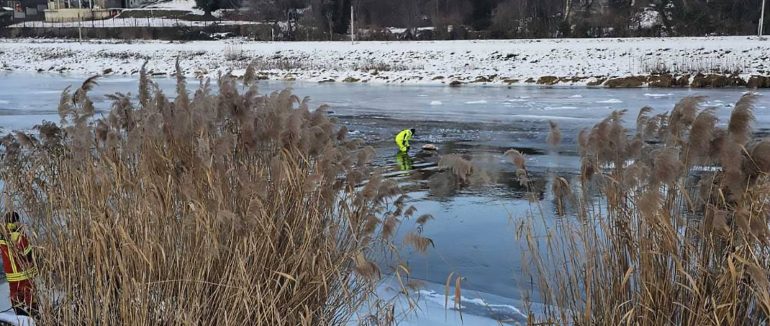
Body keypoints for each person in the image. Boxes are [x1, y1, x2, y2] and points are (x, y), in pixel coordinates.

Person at [0, 212, 36, 316]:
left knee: (14, 292)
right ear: (16, 222)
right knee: (28, 292)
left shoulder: (2, 236)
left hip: (11, 274)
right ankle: (31, 312)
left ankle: (18, 313)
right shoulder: (19, 236)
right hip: (23, 272)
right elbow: (27, 253)